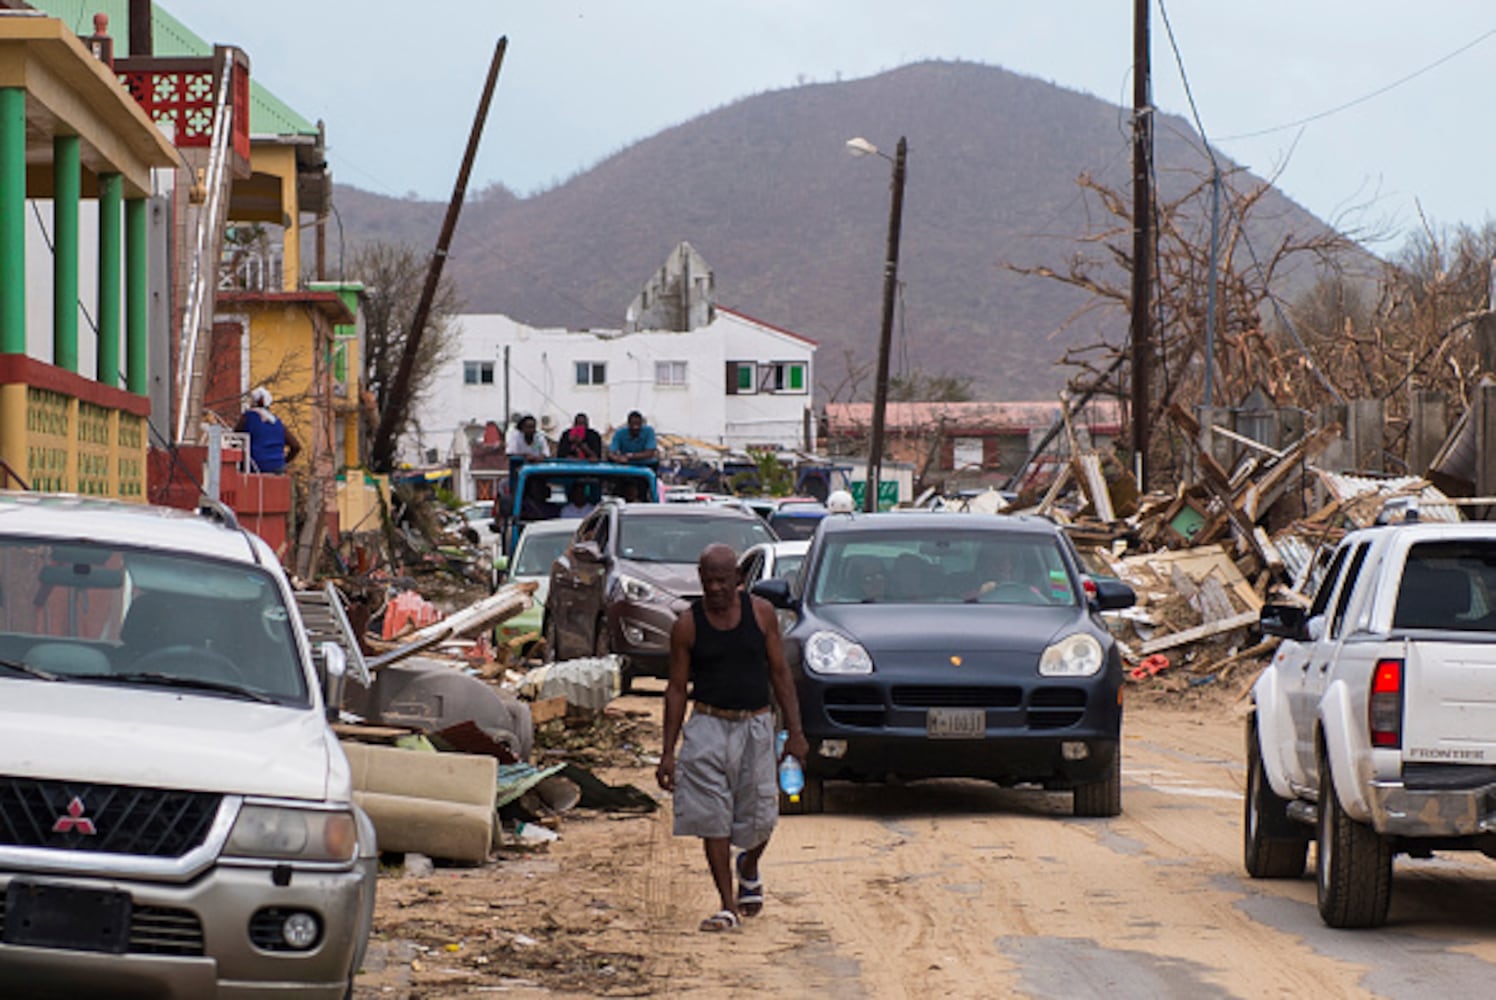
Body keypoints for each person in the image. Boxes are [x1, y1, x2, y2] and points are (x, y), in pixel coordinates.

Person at [657, 544, 808, 933]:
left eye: (723, 580)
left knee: (762, 816)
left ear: (738, 580)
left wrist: (795, 733)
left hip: (756, 726)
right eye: (708, 581)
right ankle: (727, 906)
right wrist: (667, 753)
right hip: (707, 726)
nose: (715, 589)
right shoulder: (687, 625)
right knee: (713, 819)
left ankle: (750, 865)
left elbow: (780, 675)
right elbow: (676, 689)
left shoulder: (761, 615)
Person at [235, 387, 301, 474]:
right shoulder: (277, 422)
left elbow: (234, 439)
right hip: (277, 468)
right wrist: (283, 462)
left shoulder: (247, 417)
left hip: (254, 467)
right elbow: (296, 446)